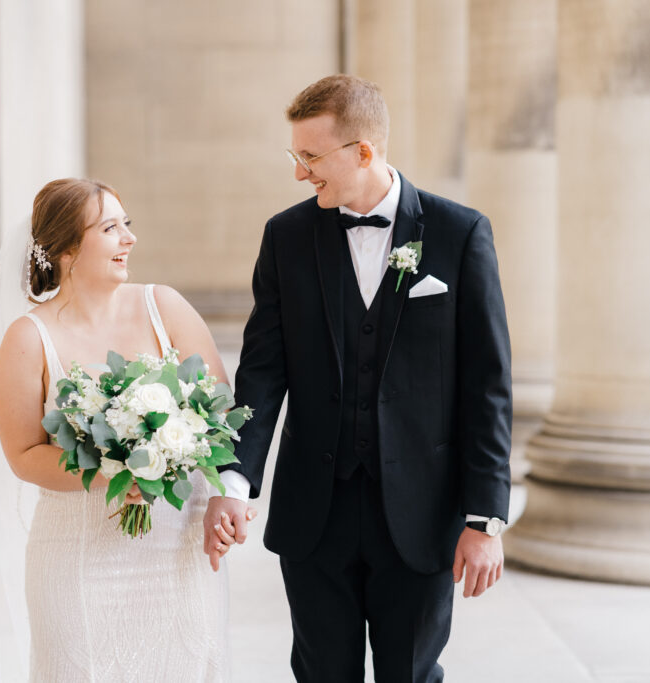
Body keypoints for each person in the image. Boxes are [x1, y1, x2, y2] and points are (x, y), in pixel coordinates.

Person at [203, 74, 513, 682]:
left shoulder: (460, 233)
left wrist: (484, 518)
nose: (300, 173)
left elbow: (488, 386)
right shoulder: (286, 237)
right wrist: (234, 481)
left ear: (364, 151)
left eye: (311, 157)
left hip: (423, 513)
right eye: (296, 156)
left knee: (412, 674)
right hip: (315, 513)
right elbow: (263, 371)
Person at [0, 178, 249, 682]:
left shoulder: (164, 306)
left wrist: (182, 459)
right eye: (110, 227)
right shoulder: (28, 338)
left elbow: (219, 407)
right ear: (65, 249)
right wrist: (117, 466)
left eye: (127, 224)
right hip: (77, 553)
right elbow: (22, 454)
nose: (129, 238)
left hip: (177, 545)